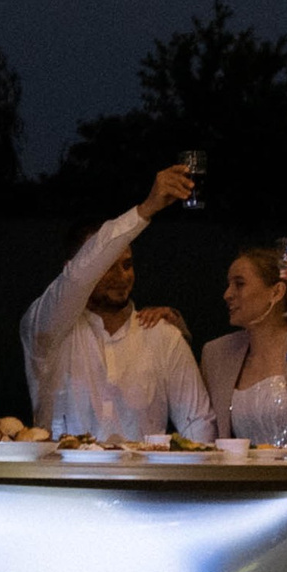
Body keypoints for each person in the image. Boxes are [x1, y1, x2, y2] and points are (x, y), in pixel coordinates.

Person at [20, 162, 213, 444]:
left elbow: (199, 425)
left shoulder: (162, 335)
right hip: (64, 485)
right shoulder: (47, 329)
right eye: (108, 265)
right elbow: (77, 278)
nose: (122, 276)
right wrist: (145, 210)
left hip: (143, 486)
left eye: (127, 264)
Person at [201, 246, 287, 442]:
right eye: (229, 284)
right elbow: (199, 420)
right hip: (241, 472)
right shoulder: (217, 354)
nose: (227, 294)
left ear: (276, 292)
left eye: (239, 284)